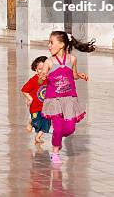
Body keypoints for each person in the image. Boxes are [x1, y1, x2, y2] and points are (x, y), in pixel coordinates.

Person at [40, 30, 95, 163]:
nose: (49, 45)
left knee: (70, 128)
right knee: (58, 128)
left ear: (62, 44)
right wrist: (42, 77)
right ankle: (55, 153)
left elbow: (73, 75)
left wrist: (79, 75)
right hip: (54, 99)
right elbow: (40, 80)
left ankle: (57, 137)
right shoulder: (49, 62)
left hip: (69, 98)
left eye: (51, 42)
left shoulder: (72, 59)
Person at [21, 55, 51, 144]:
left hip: (47, 108)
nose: (42, 72)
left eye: (44, 69)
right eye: (40, 69)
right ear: (36, 69)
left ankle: (38, 137)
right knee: (37, 123)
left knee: (46, 125)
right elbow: (24, 90)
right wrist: (29, 98)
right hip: (35, 107)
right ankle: (30, 122)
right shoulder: (34, 80)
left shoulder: (50, 79)